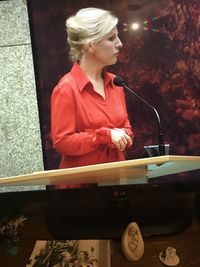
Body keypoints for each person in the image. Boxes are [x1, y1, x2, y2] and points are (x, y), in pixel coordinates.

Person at [51, 7, 134, 188]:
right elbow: (62, 142)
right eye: (111, 38)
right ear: (90, 44)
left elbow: (126, 128)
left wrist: (124, 136)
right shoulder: (66, 88)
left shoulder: (116, 83)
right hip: (81, 193)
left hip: (117, 184)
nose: (120, 43)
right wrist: (105, 136)